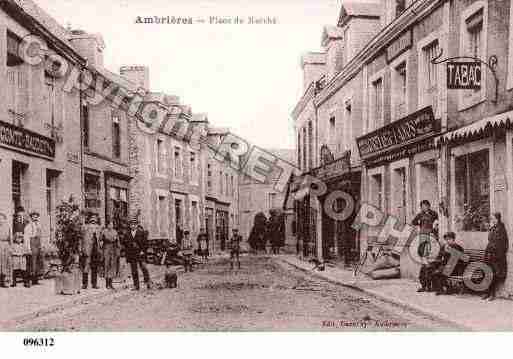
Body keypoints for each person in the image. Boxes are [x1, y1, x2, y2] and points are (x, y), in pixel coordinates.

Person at [412, 200, 439, 292]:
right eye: (422, 206)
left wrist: (434, 231)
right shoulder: (420, 215)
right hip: (423, 237)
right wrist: (420, 224)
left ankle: (430, 286)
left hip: (431, 237)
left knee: (430, 263)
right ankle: (424, 285)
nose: (424, 207)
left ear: (429, 206)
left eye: (426, 205)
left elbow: (437, 224)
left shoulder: (434, 214)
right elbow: (413, 222)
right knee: (423, 261)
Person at [483, 212, 509, 301]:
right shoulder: (493, 228)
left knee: (493, 275)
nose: (491, 220)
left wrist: (496, 254)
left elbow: (502, 244)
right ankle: (488, 292)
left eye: (493, 218)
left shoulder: (501, 228)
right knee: (488, 273)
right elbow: (490, 240)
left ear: (497, 219)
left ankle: (492, 294)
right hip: (490, 254)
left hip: (497, 256)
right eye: (491, 219)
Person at [123, 219, 151, 290]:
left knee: (144, 267)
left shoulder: (141, 233)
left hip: (140, 253)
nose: (133, 226)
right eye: (131, 224)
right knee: (134, 270)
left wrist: (143, 251)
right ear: (130, 225)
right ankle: (136, 285)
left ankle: (148, 282)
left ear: (137, 225)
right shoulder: (127, 234)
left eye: (134, 224)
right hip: (132, 254)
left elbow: (146, 243)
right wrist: (128, 249)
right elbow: (125, 243)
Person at [80, 214, 102, 289]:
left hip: (95, 250)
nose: (93, 224)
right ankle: (85, 283)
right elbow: (81, 239)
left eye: (94, 221)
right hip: (87, 250)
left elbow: (100, 240)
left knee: (95, 267)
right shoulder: (85, 228)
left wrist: (100, 248)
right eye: (92, 221)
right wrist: (82, 249)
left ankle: (94, 283)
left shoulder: (99, 230)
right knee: (86, 267)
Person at [25, 211, 43, 285]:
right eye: (33, 216)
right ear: (31, 217)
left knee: (38, 261)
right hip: (32, 243)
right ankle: (28, 279)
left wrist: (42, 245)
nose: (35, 218)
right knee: (32, 262)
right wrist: (28, 248)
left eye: (36, 216)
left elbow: (41, 236)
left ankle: (35, 279)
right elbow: (26, 237)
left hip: (38, 244)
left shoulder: (39, 225)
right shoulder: (28, 226)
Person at [102, 220, 120, 289]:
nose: (111, 226)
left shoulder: (115, 232)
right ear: (107, 225)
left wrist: (118, 250)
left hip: (113, 249)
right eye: (110, 224)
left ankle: (111, 283)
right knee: (106, 265)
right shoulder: (104, 231)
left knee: (112, 266)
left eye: (112, 225)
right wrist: (101, 250)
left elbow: (118, 241)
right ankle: (107, 283)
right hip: (106, 249)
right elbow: (100, 240)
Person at [0, 212, 13, 288]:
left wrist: (11, 247)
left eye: (2, 219)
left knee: (6, 263)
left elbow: (10, 238)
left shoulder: (8, 227)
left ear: (4, 219)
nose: (0, 220)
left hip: (6, 246)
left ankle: (6, 281)